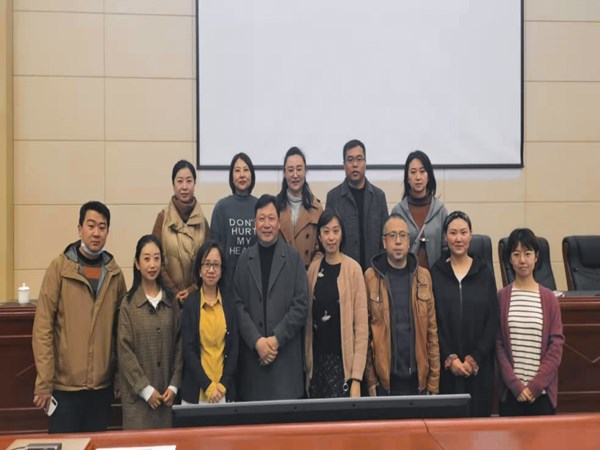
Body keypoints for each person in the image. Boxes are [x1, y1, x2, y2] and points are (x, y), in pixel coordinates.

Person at [32, 201, 127, 433]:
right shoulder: (59, 269)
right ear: (79, 229)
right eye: (91, 225)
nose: (96, 233)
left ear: (107, 232)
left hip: (101, 389)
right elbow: (43, 328)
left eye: (102, 227)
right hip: (65, 387)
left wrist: (118, 378)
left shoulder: (114, 274)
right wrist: (44, 381)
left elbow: (121, 333)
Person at [234, 194, 309, 401]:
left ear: (279, 222)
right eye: (261, 219)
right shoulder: (244, 260)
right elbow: (237, 305)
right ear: (254, 223)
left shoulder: (293, 258)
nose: (266, 224)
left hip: (285, 365)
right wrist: (257, 341)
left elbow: (301, 306)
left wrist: (276, 340)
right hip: (253, 366)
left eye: (271, 218)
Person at [430, 211, 498, 417]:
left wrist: (474, 359)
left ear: (470, 235)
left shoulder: (484, 272)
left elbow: (492, 320)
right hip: (447, 370)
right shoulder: (436, 273)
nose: (458, 238)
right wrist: (450, 359)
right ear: (445, 237)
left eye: (463, 232)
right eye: (453, 233)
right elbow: (433, 322)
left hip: (479, 369)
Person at [364, 214, 440, 396]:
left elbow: (432, 332)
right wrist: (371, 380)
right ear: (384, 242)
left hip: (418, 382)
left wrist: (434, 381)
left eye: (402, 235)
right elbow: (365, 334)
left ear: (408, 241)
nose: (397, 241)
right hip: (385, 383)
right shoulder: (370, 278)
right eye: (392, 236)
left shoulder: (424, 277)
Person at [496, 228, 564, 416]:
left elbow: (556, 345)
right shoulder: (501, 297)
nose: (522, 260)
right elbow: (498, 345)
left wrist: (535, 386)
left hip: (541, 395)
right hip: (511, 395)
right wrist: (516, 386)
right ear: (510, 259)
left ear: (536, 257)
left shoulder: (549, 298)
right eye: (516, 254)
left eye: (527, 253)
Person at [117, 235, 182, 429]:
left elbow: (180, 345)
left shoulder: (171, 302)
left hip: (167, 399)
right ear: (137, 264)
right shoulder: (128, 304)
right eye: (146, 259)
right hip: (137, 402)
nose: (152, 264)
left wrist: (174, 385)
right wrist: (145, 389)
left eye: (156, 258)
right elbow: (124, 351)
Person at [305, 210, 368, 398]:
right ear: (319, 236)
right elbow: (308, 324)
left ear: (342, 234)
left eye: (335, 231)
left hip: (344, 367)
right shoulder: (313, 270)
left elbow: (361, 328)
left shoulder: (354, 270)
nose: (331, 237)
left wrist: (356, 378)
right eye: (326, 231)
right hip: (317, 365)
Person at [181, 241, 239, 404]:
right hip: (196, 394)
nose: (211, 270)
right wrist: (208, 386)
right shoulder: (190, 304)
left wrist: (222, 386)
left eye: (216, 265)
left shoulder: (230, 303)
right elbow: (188, 350)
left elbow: (234, 348)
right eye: (207, 264)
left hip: (223, 393)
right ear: (199, 270)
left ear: (221, 270)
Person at [152, 159, 210, 304]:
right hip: (166, 299)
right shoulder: (163, 218)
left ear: (194, 183)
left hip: (197, 299)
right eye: (179, 181)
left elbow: (208, 262)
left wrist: (192, 289)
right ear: (173, 184)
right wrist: (174, 291)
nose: (184, 187)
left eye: (189, 181)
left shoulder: (203, 222)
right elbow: (154, 258)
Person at [326, 139, 388, 271]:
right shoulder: (333, 197)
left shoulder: (379, 197)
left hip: (375, 272)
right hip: (343, 272)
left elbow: (385, 239)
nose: (355, 164)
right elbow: (329, 240)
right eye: (350, 160)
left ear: (365, 163)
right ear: (344, 165)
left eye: (359, 159)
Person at [391, 150, 448, 269]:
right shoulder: (398, 212)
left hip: (436, 276)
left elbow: (446, 249)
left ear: (428, 176)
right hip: (405, 276)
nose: (418, 177)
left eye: (422, 171)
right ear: (407, 178)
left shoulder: (440, 211)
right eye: (413, 172)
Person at [210, 153, 258, 285]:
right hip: (227, 283)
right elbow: (214, 249)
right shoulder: (221, 207)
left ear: (252, 175)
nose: (242, 175)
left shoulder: (260, 207)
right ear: (231, 177)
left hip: (255, 281)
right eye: (237, 170)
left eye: (246, 170)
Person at [277, 147, 323, 270]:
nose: (295, 175)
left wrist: (312, 271)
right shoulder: (275, 207)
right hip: (281, 273)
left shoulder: (317, 208)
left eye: (299, 169)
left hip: (307, 274)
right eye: (290, 170)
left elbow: (321, 248)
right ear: (284, 173)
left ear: (305, 171)